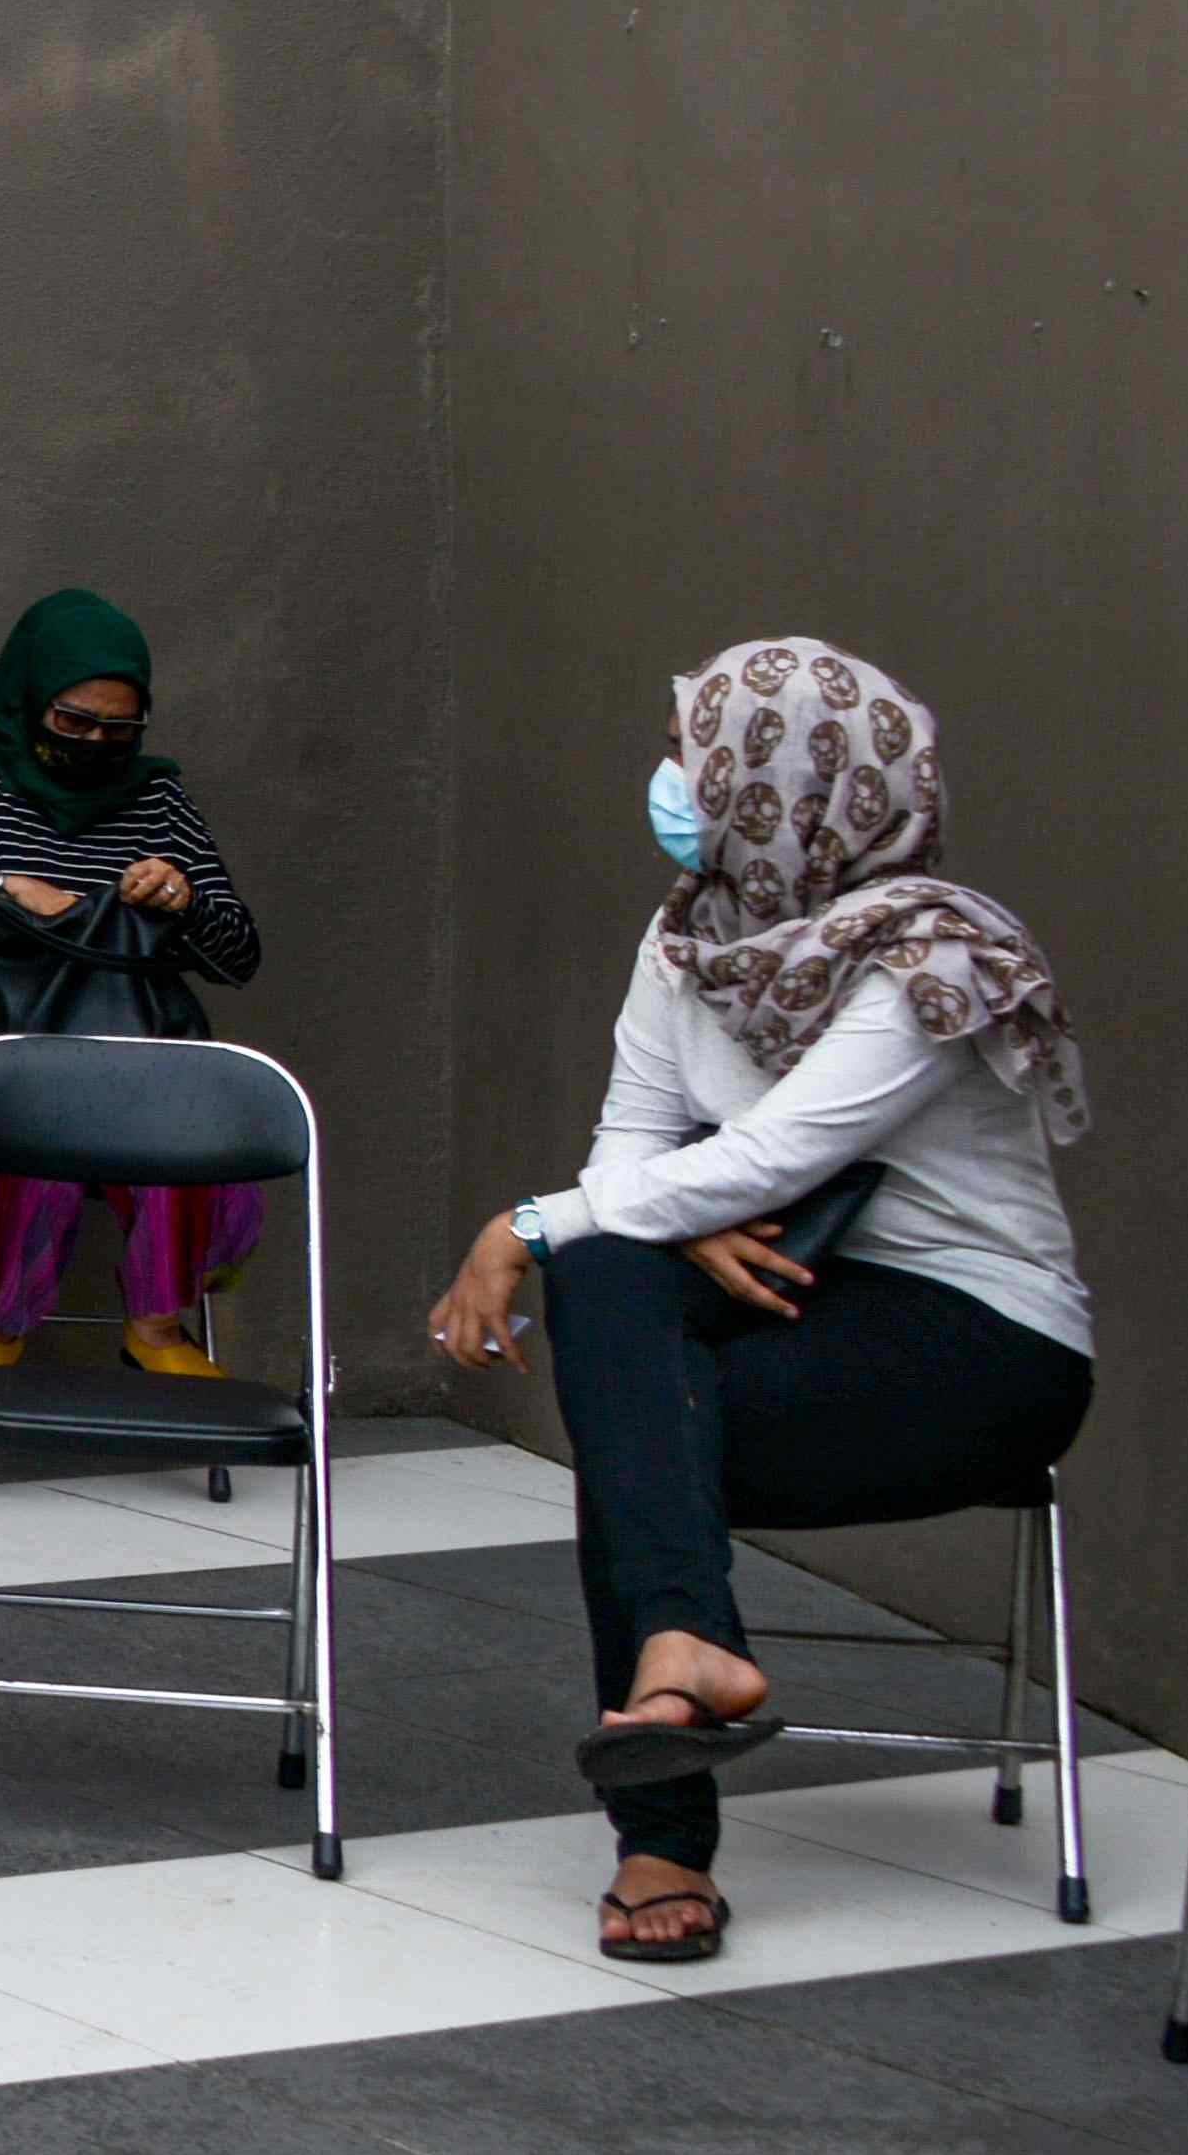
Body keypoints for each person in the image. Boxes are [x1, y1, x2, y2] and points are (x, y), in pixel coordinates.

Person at [425, 636, 1096, 1969]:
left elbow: (777, 1156)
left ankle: (665, 1813)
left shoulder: (933, 958)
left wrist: (524, 1226)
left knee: (634, 1415)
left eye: (698, 755)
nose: (672, 779)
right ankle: (682, 1668)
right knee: (623, 1309)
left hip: (975, 1349)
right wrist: (658, 1214)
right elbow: (631, 1141)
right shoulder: (686, 941)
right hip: (795, 1308)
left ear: (786, 786)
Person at [0, 586, 269, 1378]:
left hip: (127, 1045)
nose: (96, 741)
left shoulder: (159, 800)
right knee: (21, 1095)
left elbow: (239, 956)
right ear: (28, 700)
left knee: (189, 1110)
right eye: (73, 722)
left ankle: (156, 1329)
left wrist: (184, 900)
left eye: (119, 728)